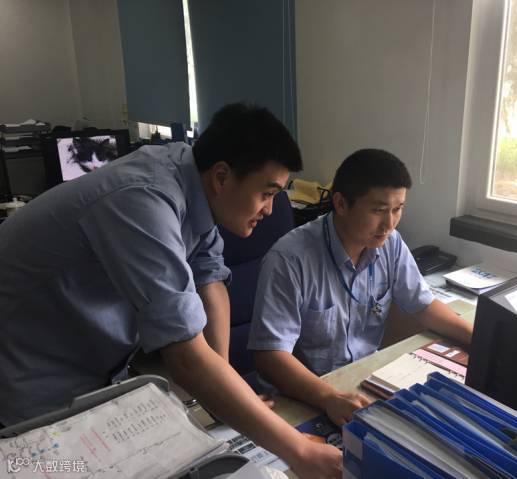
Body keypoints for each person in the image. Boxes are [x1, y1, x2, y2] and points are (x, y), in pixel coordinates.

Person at [0, 104, 341, 478]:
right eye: (267, 193)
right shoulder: (142, 200)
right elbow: (186, 360)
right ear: (222, 177)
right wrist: (299, 452)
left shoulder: (190, 174)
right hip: (29, 374)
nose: (270, 209)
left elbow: (209, 276)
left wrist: (221, 387)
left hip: (93, 364)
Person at [248, 148, 473, 426]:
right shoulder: (289, 259)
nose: (389, 223)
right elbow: (269, 356)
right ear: (341, 203)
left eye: (397, 209)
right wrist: (328, 397)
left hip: (360, 383)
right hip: (302, 396)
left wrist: (478, 340)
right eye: (378, 210)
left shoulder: (390, 243)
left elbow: (423, 305)